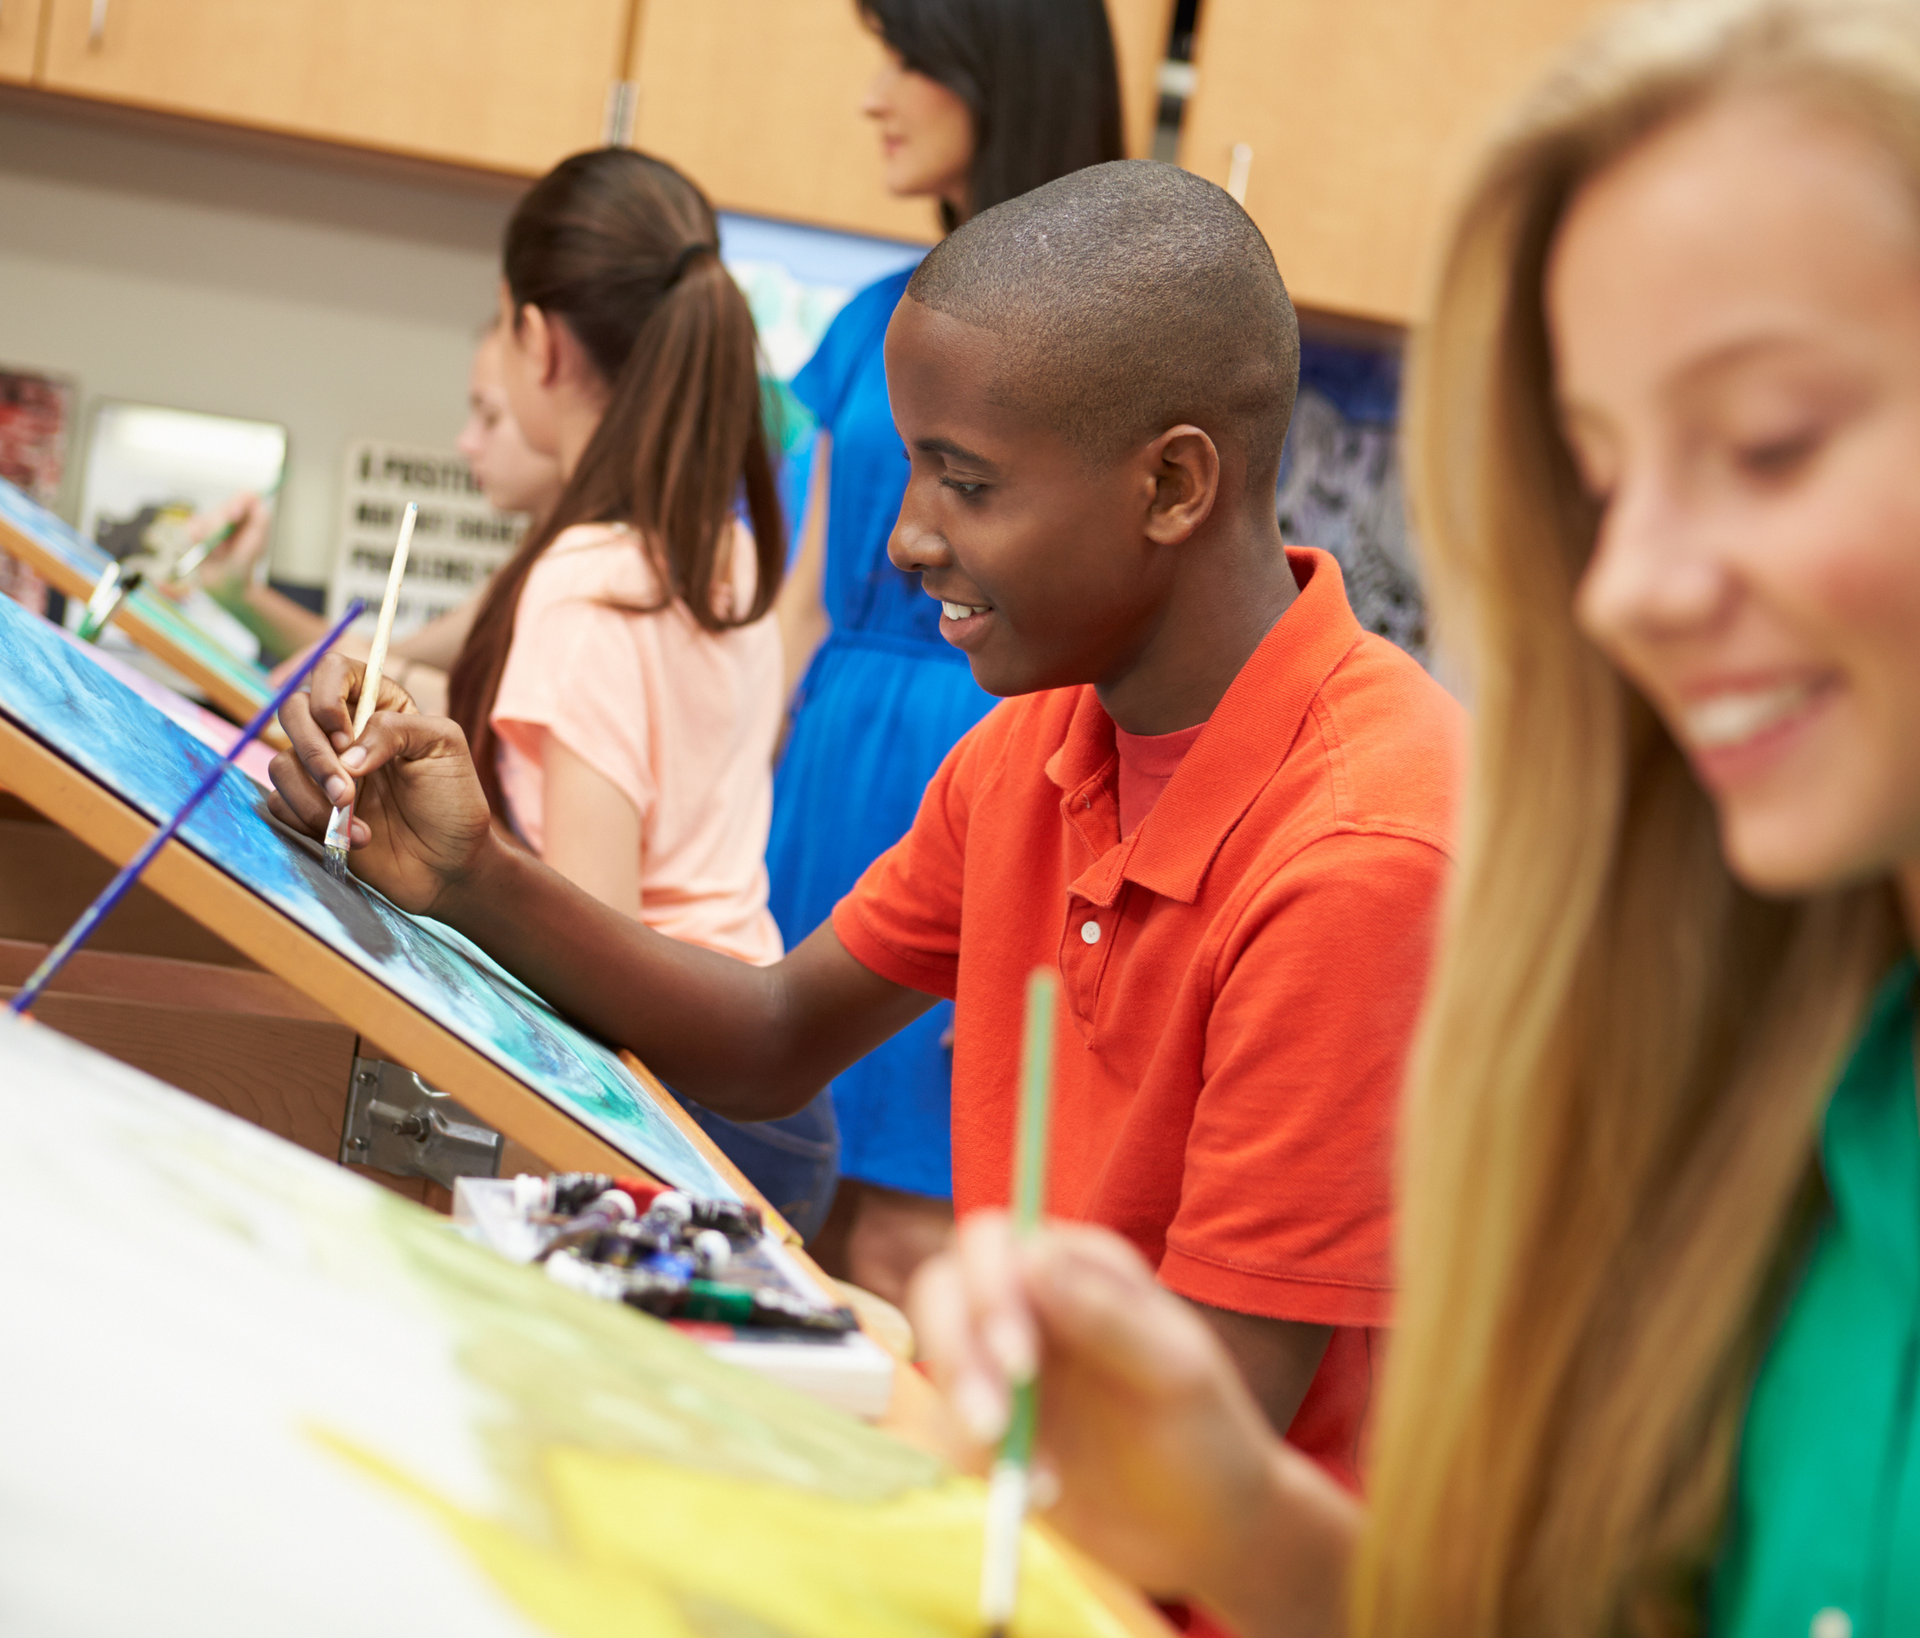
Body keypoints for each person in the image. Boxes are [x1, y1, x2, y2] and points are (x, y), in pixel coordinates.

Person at [909, 0, 1920, 1632]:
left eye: (1769, 441)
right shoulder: (1753, 1085)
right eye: (1599, 479)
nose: (1640, 584)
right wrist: (1237, 1516)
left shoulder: (1370, 839)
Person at [267, 162, 1463, 1498]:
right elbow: (776, 1034)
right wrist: (469, 871)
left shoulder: (1363, 849)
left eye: (966, 484)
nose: (904, 539)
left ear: (1174, 484)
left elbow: (1195, 1455)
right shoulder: (1035, 745)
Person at [771, 0, 1127, 1303]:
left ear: (1004, 75)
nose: (879, 93)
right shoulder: (870, 322)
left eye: (912, 59)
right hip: (829, 778)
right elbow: (801, 605)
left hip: (1001, 759)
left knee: (917, 1243)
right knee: (777, 1205)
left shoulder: (1097, 345)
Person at [189, 323, 564, 715]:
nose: (465, 443)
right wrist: (238, 593)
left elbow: (391, 674)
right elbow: (373, 660)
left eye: (490, 416)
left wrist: (381, 672)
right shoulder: (532, 564)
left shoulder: (588, 570)